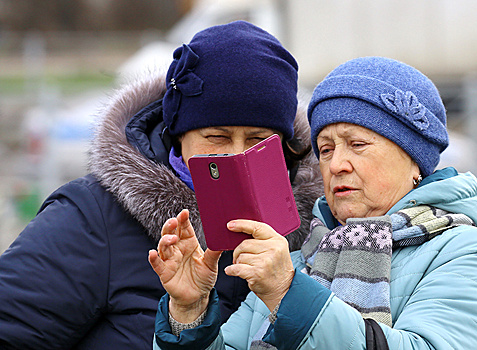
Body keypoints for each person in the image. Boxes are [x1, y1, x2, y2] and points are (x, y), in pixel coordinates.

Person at [151, 56, 477, 349]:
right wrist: (189, 311)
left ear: (414, 160)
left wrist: (290, 295)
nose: (337, 165)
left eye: (357, 144)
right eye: (325, 149)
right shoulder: (301, 259)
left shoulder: (469, 253)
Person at [0, 21, 323, 349]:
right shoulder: (93, 216)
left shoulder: (321, 226)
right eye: (217, 137)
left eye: (258, 140)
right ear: (179, 133)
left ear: (285, 144)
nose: (236, 154)